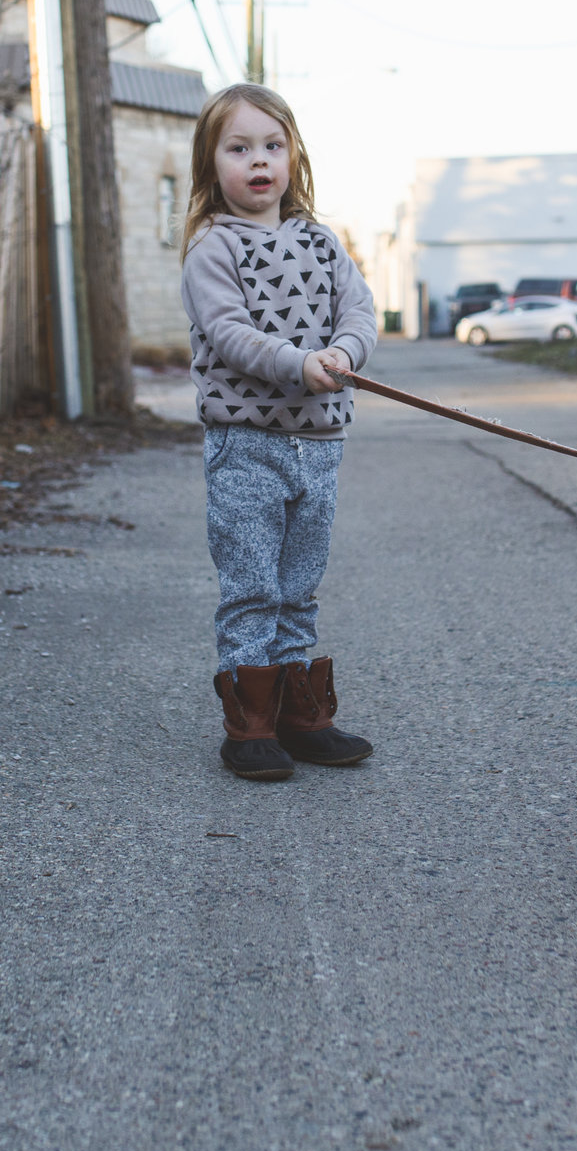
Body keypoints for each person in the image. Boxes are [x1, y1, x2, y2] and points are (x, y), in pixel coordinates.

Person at [179, 83, 379, 781]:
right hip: (248, 444)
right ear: (214, 166)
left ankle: (301, 713)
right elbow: (230, 333)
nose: (258, 161)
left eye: (272, 145)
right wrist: (300, 362)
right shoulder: (213, 247)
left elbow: (360, 311)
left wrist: (347, 354)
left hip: (320, 446)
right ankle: (250, 722)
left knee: (299, 581)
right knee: (252, 581)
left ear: (293, 155)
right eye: (239, 149)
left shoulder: (322, 242)